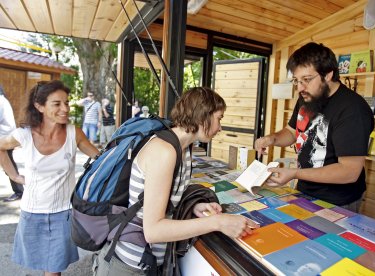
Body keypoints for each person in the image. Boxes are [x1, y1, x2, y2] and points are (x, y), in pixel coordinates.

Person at [92, 87, 258, 275]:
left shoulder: (185, 148)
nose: (220, 127)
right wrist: (219, 222)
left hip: (150, 261)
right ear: (203, 115)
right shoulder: (164, 151)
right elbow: (153, 231)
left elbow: (160, 201)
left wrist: (195, 207)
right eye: (219, 118)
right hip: (129, 265)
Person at [254, 42, 374, 212]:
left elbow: (349, 171)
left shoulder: (353, 109)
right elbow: (292, 132)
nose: (300, 88)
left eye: (307, 80)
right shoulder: (307, 96)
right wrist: (271, 138)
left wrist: (294, 173)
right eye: (296, 80)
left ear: (328, 75)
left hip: (337, 201)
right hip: (304, 191)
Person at [0, 80, 99, 276]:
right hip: (32, 212)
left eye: (67, 103)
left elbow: (102, 160)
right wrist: (15, 176)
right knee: (46, 266)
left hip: (63, 213)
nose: (65, 108)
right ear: (39, 106)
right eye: (57, 104)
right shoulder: (24, 135)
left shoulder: (74, 133)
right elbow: (1, 148)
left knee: (54, 270)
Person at [0, 85, 24, 202]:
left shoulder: (0, 101)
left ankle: (19, 192)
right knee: (8, 166)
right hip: (6, 138)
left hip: (4, 139)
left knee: (8, 166)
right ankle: (19, 191)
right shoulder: (3, 100)